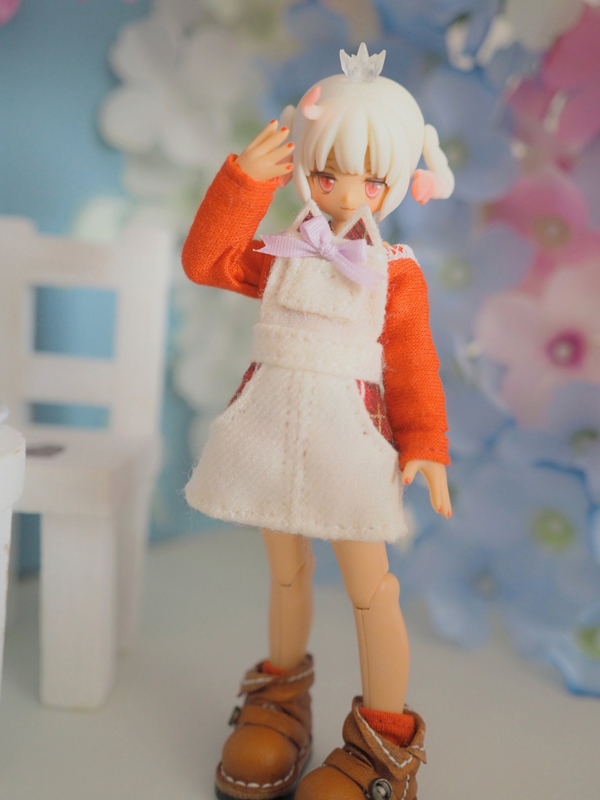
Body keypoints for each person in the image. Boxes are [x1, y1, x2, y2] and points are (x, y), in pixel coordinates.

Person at [182, 44, 454, 800]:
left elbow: (413, 362)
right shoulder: (282, 253)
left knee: (373, 589)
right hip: (270, 431)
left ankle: (384, 742)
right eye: (327, 174)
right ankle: (280, 695)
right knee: (285, 569)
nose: (346, 194)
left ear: (397, 181)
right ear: (303, 168)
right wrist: (245, 181)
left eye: (370, 178)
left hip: (349, 441)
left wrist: (426, 444)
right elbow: (206, 260)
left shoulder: (393, 270)